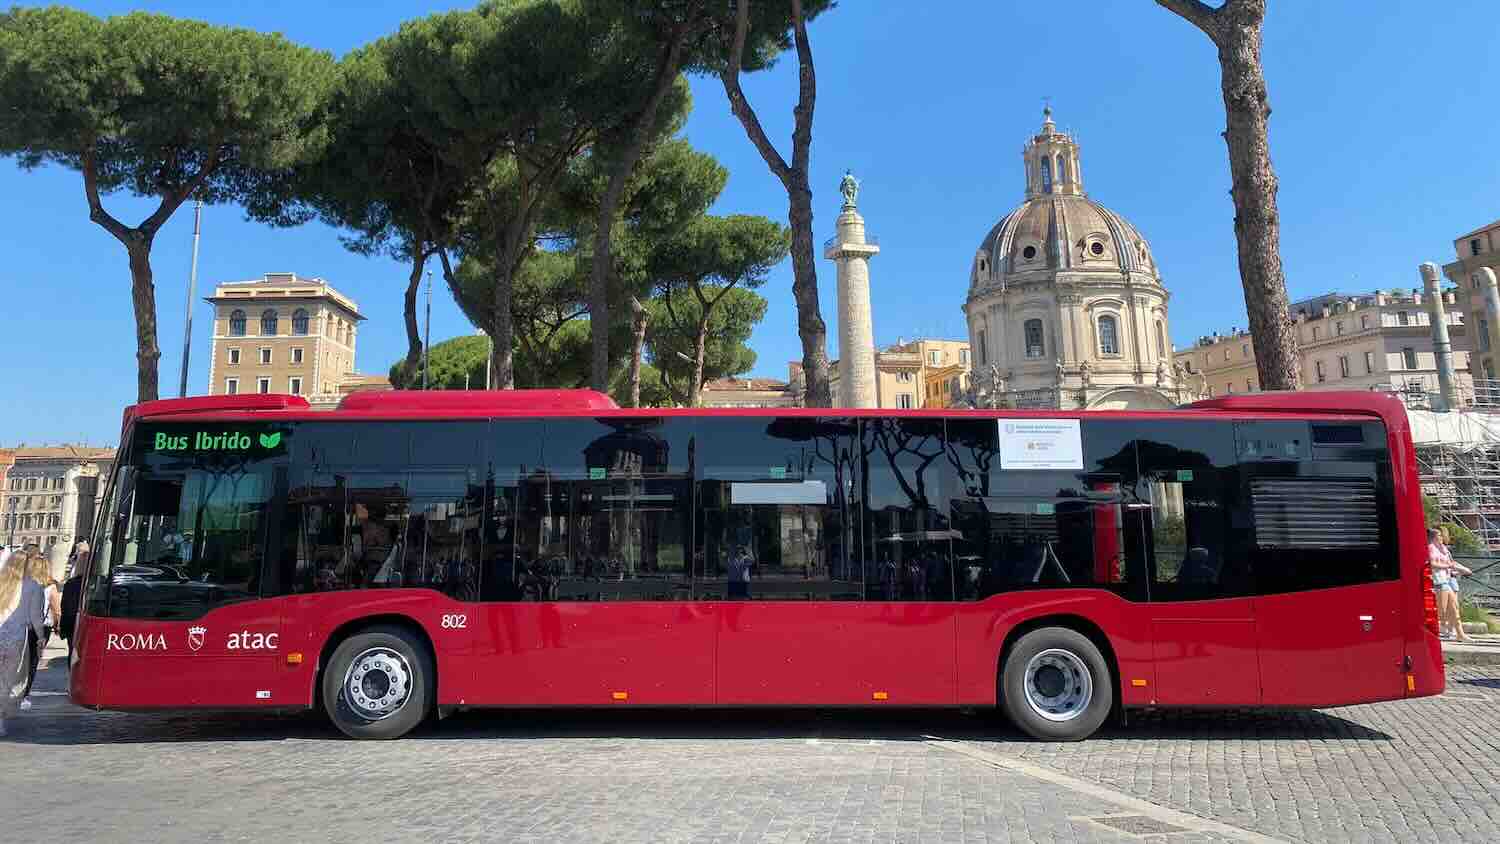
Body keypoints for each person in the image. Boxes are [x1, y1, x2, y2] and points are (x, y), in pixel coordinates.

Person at [0, 548, 48, 737]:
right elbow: (36, 617)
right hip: (16, 639)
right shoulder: (33, 586)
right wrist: (41, 637)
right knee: (9, 680)